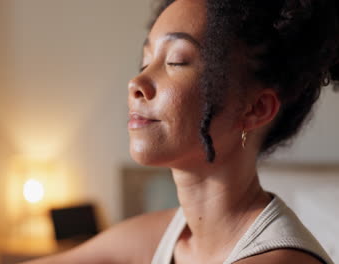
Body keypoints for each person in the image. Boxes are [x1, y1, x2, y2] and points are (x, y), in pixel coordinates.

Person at [26, 0, 338, 263]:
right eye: (145, 61)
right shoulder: (168, 236)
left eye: (176, 60)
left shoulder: (280, 260)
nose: (137, 83)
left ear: (255, 109)